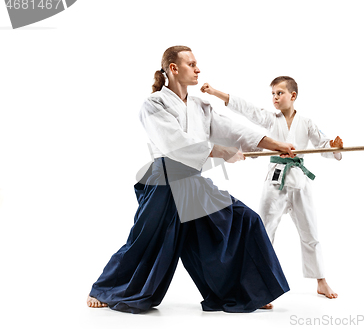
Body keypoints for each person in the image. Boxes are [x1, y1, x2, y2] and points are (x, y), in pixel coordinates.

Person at [87, 46, 296, 313]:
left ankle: (246, 291)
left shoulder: (200, 105)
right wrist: (222, 152)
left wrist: (274, 144)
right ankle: (104, 288)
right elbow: (175, 144)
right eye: (192, 64)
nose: (198, 69)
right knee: (147, 239)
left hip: (191, 181)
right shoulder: (154, 104)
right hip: (165, 179)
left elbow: (232, 130)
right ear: (173, 68)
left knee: (243, 220)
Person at [201, 76, 343, 299]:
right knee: (264, 232)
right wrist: (216, 93)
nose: (275, 98)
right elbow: (246, 109)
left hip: (299, 182)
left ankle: (321, 281)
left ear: (293, 96)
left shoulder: (306, 123)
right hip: (275, 181)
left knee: (310, 232)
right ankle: (258, 285)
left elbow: (323, 145)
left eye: (280, 93)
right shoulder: (270, 119)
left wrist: (334, 147)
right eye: (273, 94)